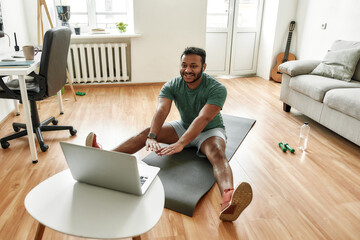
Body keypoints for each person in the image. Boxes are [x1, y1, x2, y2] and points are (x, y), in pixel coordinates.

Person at [86, 47, 252, 221]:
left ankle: (229, 201)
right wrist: (152, 135)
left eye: (193, 66)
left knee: (218, 154)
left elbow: (203, 119)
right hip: (183, 126)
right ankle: (103, 157)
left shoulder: (217, 88)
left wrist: (181, 143)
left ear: (203, 67)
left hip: (209, 131)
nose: (187, 70)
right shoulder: (173, 84)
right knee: (144, 134)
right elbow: (162, 109)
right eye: (184, 65)